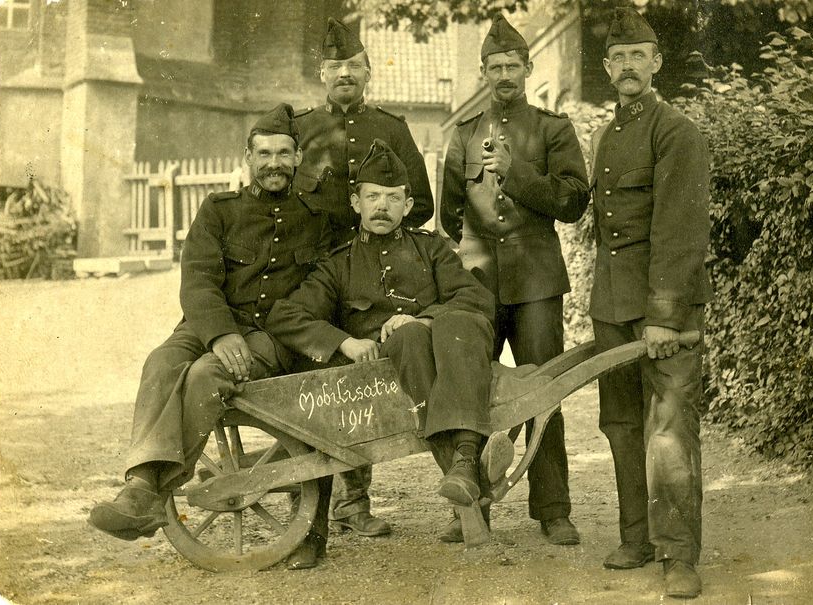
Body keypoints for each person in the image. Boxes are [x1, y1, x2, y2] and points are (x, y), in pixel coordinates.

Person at [88, 104, 333, 553]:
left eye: (283, 154)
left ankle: (156, 491)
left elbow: (325, 287)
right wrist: (220, 334)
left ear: (298, 159)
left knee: (206, 375)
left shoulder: (317, 219)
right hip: (213, 322)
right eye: (264, 154)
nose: (274, 163)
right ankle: (142, 481)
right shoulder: (219, 211)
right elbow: (198, 280)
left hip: (272, 336)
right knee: (162, 361)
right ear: (248, 158)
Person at [266, 139, 498, 568]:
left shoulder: (431, 251)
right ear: (355, 202)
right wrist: (345, 342)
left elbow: (473, 297)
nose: (382, 207)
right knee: (389, 353)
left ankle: (464, 462)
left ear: (408, 205)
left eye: (393, 198)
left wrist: (424, 320)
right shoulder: (339, 264)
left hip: (434, 365)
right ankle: (311, 534)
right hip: (369, 382)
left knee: (458, 320)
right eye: (372, 196)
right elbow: (287, 315)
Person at [440, 14, 590, 546]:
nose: (505, 74)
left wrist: (519, 174)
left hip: (536, 285)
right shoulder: (461, 137)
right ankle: (471, 506)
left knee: (542, 394)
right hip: (477, 286)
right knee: (470, 392)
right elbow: (447, 214)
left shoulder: (553, 129)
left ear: (528, 69)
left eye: (513, 65)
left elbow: (574, 201)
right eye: (495, 66)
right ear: (483, 72)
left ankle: (553, 509)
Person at [292, 18, 435, 537]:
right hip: (315, 272)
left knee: (362, 380)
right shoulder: (301, 130)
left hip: (370, 275)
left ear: (369, 72)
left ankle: (353, 502)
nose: (344, 74)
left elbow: (419, 205)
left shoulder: (392, 128)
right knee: (321, 380)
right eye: (335, 66)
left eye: (354, 65)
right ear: (321, 74)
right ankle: (312, 510)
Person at [589, 8, 713, 599]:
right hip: (611, 305)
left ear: (657, 63)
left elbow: (680, 231)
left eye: (639, 55)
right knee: (619, 425)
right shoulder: (608, 134)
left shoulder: (676, 131)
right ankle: (636, 537)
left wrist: (663, 315)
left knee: (668, 431)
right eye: (619, 58)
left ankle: (679, 556)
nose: (628, 66)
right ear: (608, 68)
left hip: (662, 310)